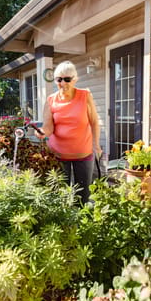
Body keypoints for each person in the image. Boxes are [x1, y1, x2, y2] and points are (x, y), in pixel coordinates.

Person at [35, 60, 102, 204]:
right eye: (59, 79)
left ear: (75, 79)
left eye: (67, 79)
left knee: (83, 195)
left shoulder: (85, 96)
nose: (63, 83)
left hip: (83, 153)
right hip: (58, 155)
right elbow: (48, 126)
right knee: (61, 195)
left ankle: (82, 224)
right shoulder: (51, 100)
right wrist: (42, 132)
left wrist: (96, 145)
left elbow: (94, 121)